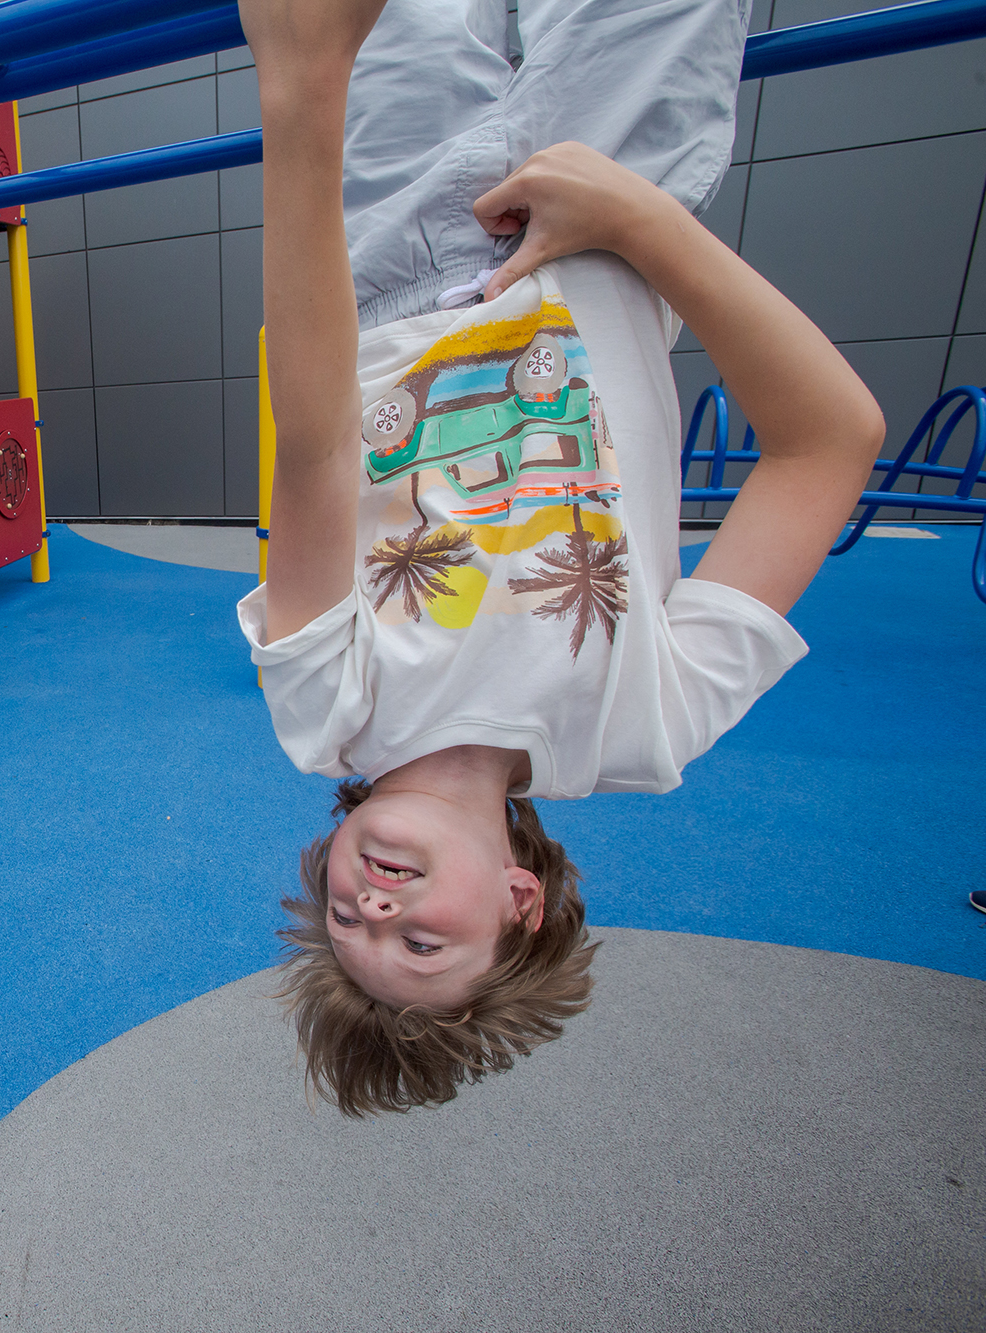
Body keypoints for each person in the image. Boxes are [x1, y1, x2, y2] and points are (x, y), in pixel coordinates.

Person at [237, 0, 885, 1115]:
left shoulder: (324, 709)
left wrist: (300, 94)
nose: (376, 911)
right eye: (425, 946)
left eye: (346, 921)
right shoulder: (647, 725)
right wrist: (642, 225)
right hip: (599, 221)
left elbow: (317, 444)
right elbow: (827, 445)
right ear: (518, 899)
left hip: (388, 256)